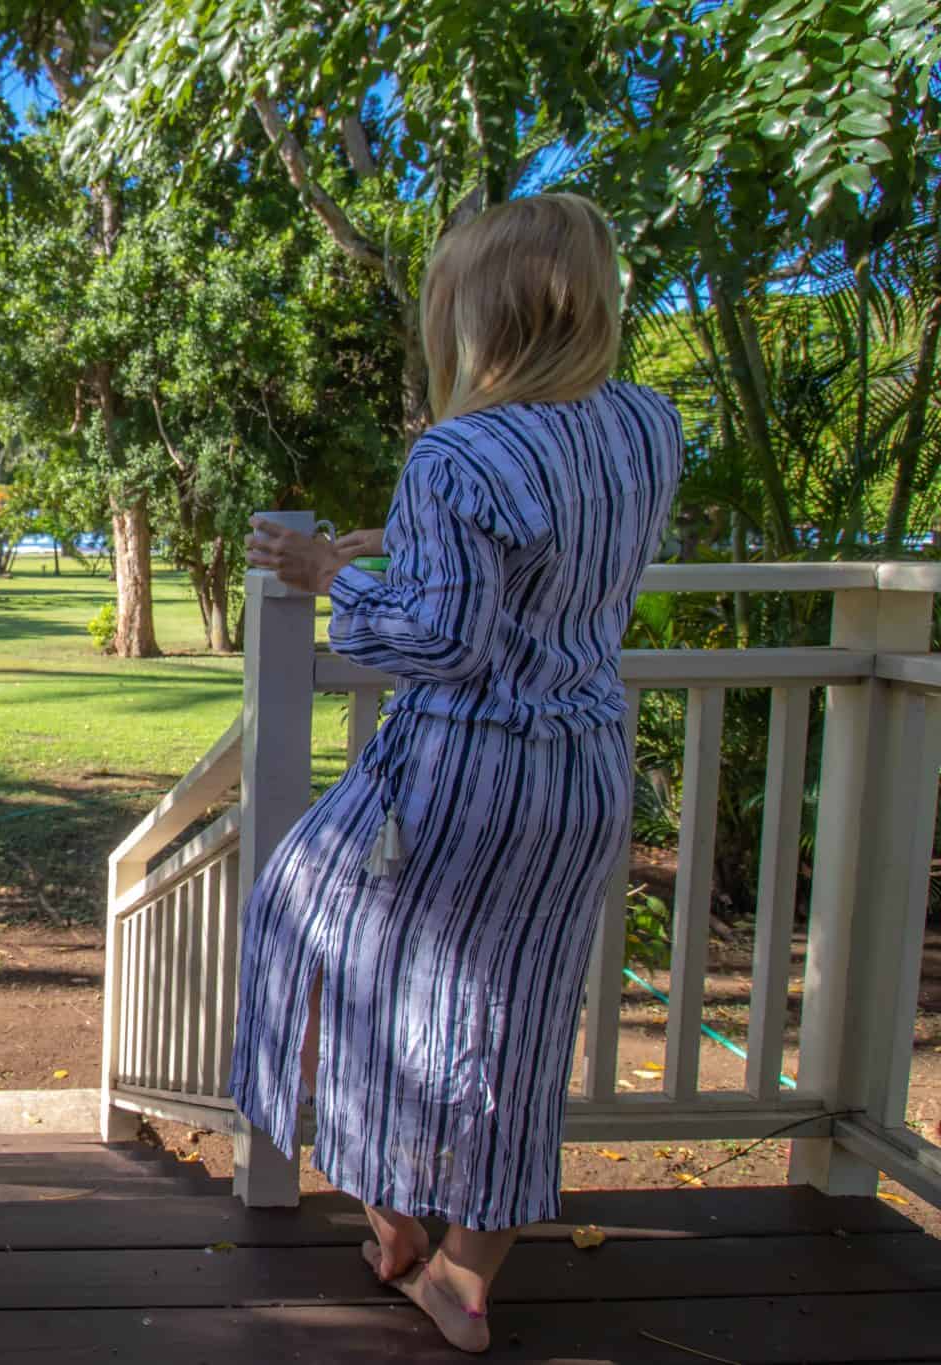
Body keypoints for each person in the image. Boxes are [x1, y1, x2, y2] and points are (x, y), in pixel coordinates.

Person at [239, 193, 682, 1354]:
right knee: (515, 1013)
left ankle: (387, 1207)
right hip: (582, 769)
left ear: (477, 314)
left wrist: (330, 575)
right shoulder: (644, 424)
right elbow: (559, 555)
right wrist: (401, 547)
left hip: (466, 770)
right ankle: (462, 1271)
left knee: (305, 922)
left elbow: (442, 643)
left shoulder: (458, 450)